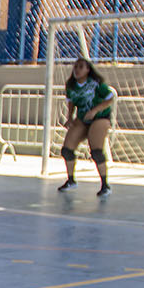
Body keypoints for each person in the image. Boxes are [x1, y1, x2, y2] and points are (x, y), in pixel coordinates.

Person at [59, 56, 115, 197]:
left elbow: (110, 98)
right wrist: (70, 117)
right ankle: (71, 180)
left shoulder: (96, 84)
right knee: (66, 149)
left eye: (81, 67)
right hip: (83, 118)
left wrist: (95, 111)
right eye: (76, 67)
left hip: (100, 117)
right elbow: (71, 101)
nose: (77, 70)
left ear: (88, 69)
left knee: (96, 151)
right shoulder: (71, 85)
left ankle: (105, 184)